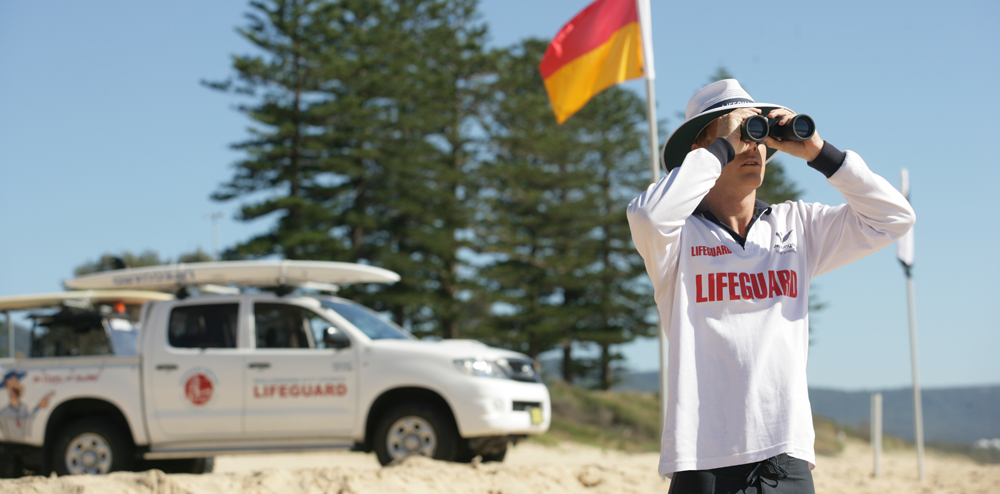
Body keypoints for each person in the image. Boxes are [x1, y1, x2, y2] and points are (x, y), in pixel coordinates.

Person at [626, 79, 915, 493]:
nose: (752, 147)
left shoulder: (796, 226)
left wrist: (819, 152)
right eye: (739, 136)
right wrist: (722, 146)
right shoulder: (676, 238)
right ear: (701, 152)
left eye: (758, 137)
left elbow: (894, 219)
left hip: (786, 455)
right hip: (703, 458)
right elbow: (649, 217)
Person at [0, 370, 54, 442]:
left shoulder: (23, 408)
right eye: (12, 382)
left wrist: (38, 406)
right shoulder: (4, 412)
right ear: (7, 386)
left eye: (16, 381)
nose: (16, 385)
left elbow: (28, 422)